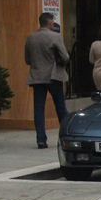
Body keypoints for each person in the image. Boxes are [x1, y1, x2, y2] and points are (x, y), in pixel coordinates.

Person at [25, 12, 70, 149]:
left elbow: (27, 60)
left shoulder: (31, 38)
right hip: (53, 76)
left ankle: (41, 140)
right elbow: (66, 57)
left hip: (37, 76)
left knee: (38, 108)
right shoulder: (55, 37)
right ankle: (65, 135)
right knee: (60, 107)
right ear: (50, 23)